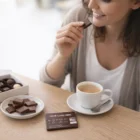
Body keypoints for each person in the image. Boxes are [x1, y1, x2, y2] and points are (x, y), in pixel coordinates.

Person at [40, 0, 140, 111]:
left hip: (125, 127)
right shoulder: (79, 16)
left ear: (136, 2)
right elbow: (47, 84)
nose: (91, 5)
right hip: (79, 123)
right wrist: (62, 55)